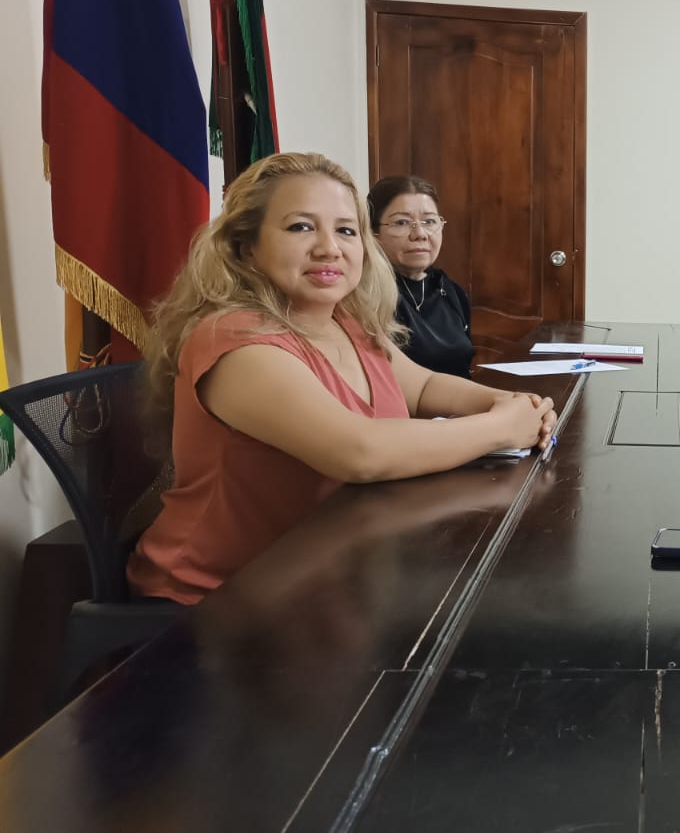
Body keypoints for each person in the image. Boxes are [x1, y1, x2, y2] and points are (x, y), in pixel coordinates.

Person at [128, 152, 557, 605]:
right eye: (301, 227)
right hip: (218, 601)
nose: (329, 248)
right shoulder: (234, 339)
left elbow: (424, 387)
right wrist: (501, 428)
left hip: (327, 577)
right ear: (245, 246)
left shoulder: (345, 321)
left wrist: (510, 402)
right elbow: (359, 453)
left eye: (346, 230)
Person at [369, 175, 474, 377]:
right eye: (401, 222)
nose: (420, 234)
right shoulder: (367, 297)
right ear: (373, 233)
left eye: (429, 221)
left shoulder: (451, 291)